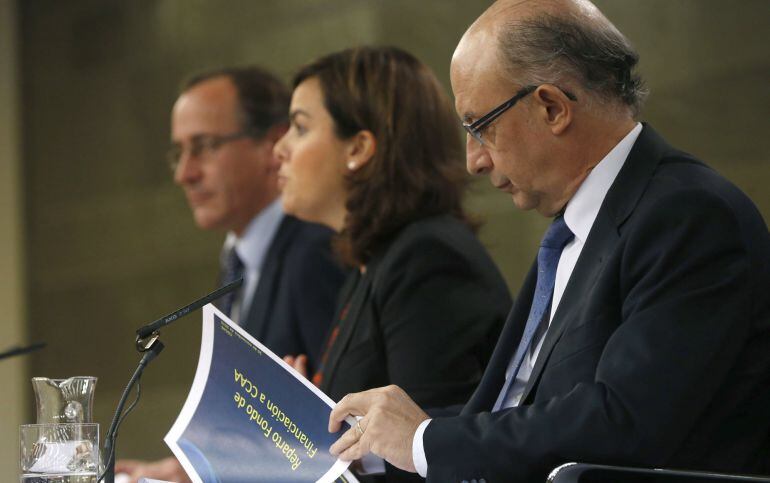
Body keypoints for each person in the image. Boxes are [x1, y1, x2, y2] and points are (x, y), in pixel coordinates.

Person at [327, 1, 770, 482]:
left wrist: (423, 441)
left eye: (480, 127)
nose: (473, 160)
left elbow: (624, 420)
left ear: (552, 107)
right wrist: (375, 445)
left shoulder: (688, 215)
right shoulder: (574, 226)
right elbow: (514, 408)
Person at [273, 46, 512, 481]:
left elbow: (427, 449)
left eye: (300, 128)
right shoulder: (373, 262)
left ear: (359, 148)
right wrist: (301, 411)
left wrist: (315, 439)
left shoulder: (426, 256)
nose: (279, 149)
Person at [116, 66, 346, 482]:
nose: (184, 173)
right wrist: (188, 471)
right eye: (178, 152)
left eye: (204, 147)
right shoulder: (237, 258)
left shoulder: (317, 250)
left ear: (272, 145)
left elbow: (333, 430)